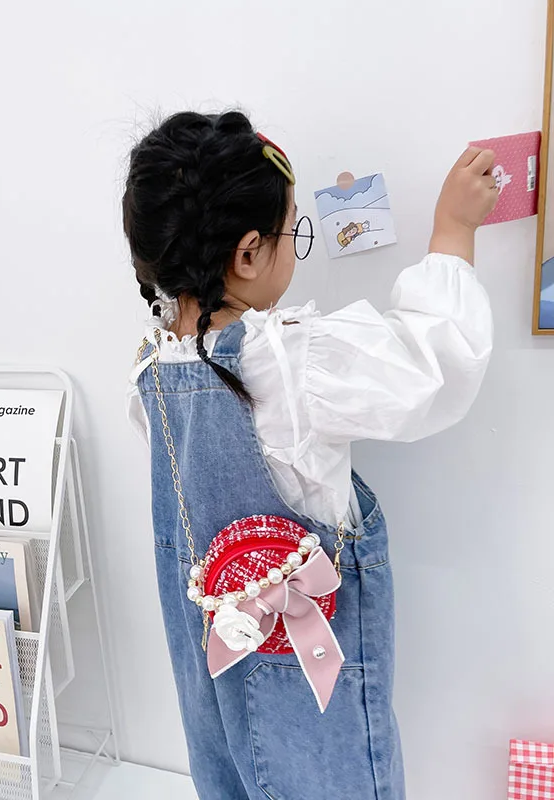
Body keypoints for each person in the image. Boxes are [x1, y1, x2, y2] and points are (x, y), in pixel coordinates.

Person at [123, 111, 495, 800]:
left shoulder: (152, 369)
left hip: (210, 660)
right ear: (247, 254)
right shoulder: (291, 364)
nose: (298, 249)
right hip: (306, 674)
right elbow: (433, 366)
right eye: (295, 230)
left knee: (233, 774)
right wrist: (453, 232)